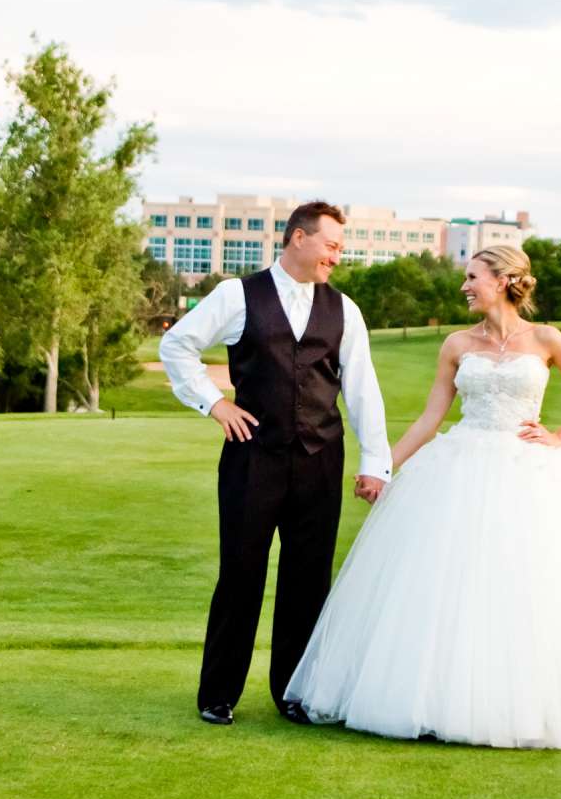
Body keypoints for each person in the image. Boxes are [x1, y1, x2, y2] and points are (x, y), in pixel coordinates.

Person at [284, 243, 561, 748]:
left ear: (504, 280)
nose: (464, 286)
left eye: (472, 277)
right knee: (449, 586)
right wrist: (381, 468)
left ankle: (533, 703)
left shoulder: (547, 338)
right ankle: (437, 700)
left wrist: (559, 437)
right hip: (459, 466)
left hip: (529, 470)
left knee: (533, 585)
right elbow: (429, 420)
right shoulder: (456, 345)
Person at [159, 200, 390, 726]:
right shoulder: (236, 295)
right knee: (240, 574)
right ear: (298, 239)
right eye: (331, 244)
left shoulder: (344, 309)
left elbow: (362, 389)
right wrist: (214, 403)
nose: (338, 254)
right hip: (251, 460)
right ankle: (217, 694)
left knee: (309, 581)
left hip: (320, 459)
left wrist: (376, 461)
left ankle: (296, 694)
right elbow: (177, 345)